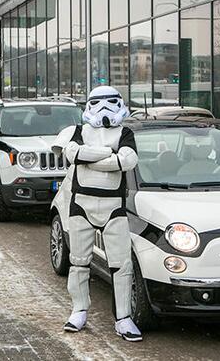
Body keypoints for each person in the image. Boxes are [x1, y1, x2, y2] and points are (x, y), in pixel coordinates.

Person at [52, 86, 142, 342]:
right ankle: (79, 309)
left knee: (121, 264)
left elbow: (128, 160)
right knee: (79, 262)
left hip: (114, 206)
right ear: (89, 105)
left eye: (110, 102)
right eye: (98, 102)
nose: (104, 108)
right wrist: (108, 156)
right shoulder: (79, 131)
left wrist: (89, 158)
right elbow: (72, 154)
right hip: (81, 204)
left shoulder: (125, 132)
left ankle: (123, 317)